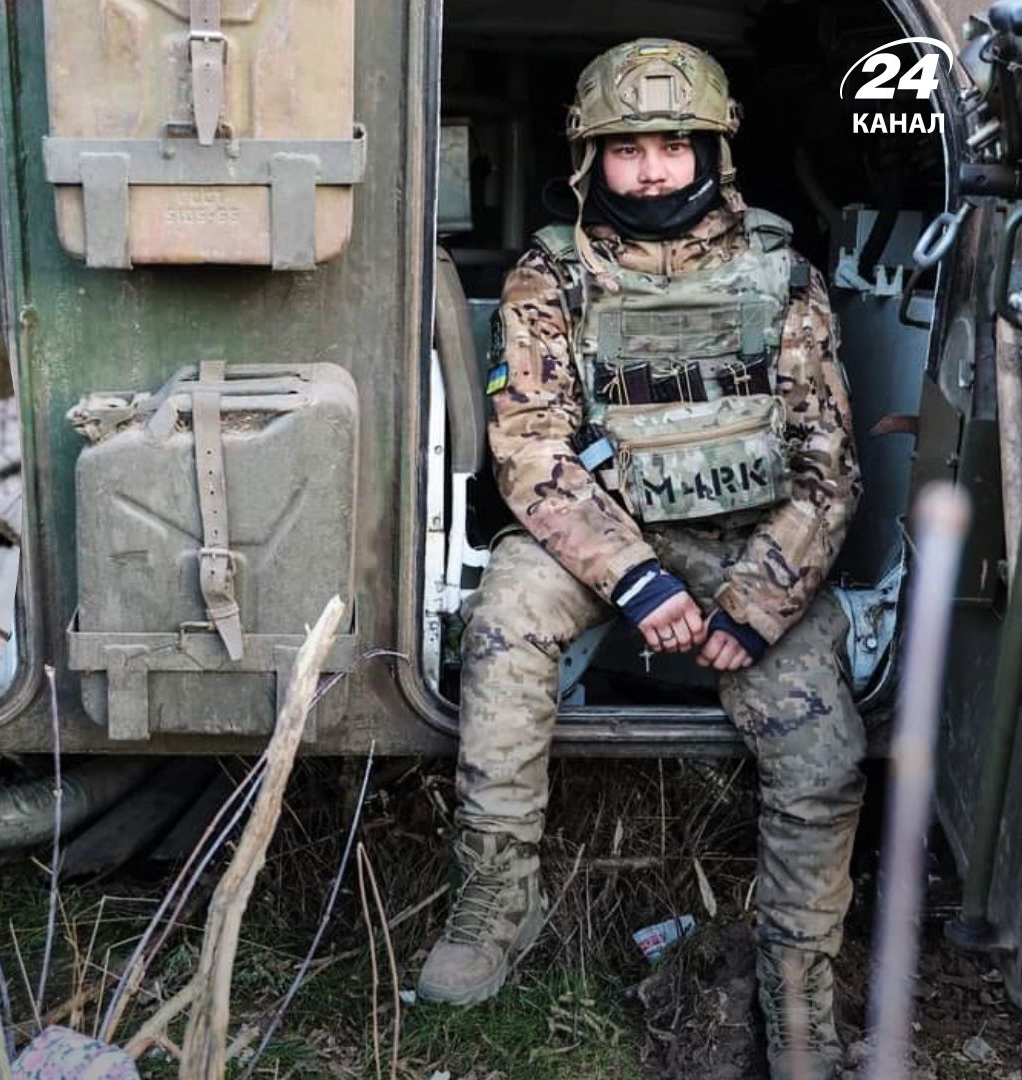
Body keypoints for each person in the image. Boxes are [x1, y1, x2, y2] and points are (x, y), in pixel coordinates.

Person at [415, 39, 864, 1079]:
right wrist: (636, 576)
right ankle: (497, 901)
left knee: (824, 753)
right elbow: (530, 449)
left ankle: (797, 988)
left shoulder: (782, 273)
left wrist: (755, 603)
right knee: (503, 630)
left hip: (750, 540)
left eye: (673, 145)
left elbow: (829, 467)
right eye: (627, 149)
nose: (653, 171)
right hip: (599, 532)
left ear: (713, 150)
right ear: (591, 160)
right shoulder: (553, 274)